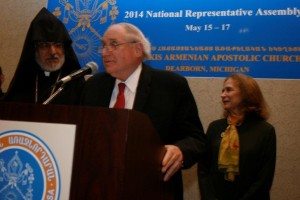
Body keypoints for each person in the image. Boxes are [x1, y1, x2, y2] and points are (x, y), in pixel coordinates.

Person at [80, 22, 206, 199]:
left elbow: (196, 139)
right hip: (99, 188)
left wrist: (180, 150)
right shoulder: (93, 86)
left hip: (153, 190)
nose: (104, 52)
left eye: (113, 44)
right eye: (103, 45)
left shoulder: (171, 86)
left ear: (138, 49)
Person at [198, 73, 276, 200]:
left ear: (246, 93)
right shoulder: (214, 127)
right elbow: (203, 170)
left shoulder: (265, 131)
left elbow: (264, 179)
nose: (222, 95)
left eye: (228, 90)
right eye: (222, 90)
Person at [4, 7, 85, 104]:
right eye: (45, 45)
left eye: (58, 45)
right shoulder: (24, 80)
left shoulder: (74, 81)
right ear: (35, 49)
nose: (52, 52)